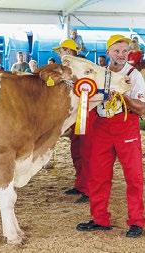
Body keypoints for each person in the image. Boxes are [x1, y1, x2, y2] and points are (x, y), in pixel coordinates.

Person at [77, 34, 145, 238]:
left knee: (134, 177)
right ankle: (100, 219)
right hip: (101, 128)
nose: (122, 55)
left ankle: (136, 221)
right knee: (98, 175)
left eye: (125, 51)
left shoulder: (134, 75)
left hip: (126, 126)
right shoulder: (100, 73)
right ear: (108, 52)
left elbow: (142, 108)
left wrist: (122, 95)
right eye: (117, 50)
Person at [53, 38, 93, 204]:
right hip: (74, 114)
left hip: (85, 114)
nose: (61, 54)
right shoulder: (65, 69)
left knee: (85, 152)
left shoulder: (84, 67)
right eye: (60, 52)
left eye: (63, 51)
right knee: (76, 151)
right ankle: (80, 183)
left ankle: (88, 188)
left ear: (70, 52)